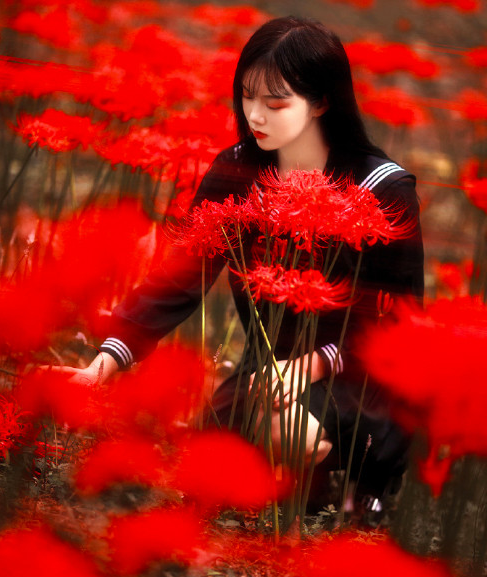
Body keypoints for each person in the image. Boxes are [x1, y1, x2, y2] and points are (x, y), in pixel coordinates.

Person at [58, 16, 424, 513]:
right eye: (246, 96)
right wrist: (107, 360)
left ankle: (349, 493)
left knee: (286, 433)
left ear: (322, 101)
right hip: (265, 372)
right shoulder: (237, 169)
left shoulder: (382, 188)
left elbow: (398, 324)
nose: (254, 115)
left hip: (355, 379)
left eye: (275, 103)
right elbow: (181, 276)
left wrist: (310, 366)